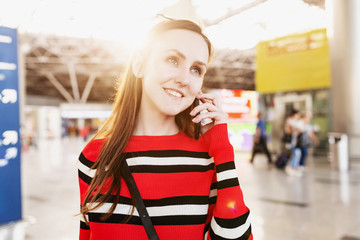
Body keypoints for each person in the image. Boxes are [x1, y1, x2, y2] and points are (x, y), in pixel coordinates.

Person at [77, 19, 252, 240]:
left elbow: (235, 233)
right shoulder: (93, 157)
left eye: (196, 70)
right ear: (140, 65)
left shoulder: (208, 160)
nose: (184, 79)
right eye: (172, 59)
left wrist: (222, 149)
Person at [284, 109, 303, 176]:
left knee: (296, 153)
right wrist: (295, 131)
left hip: (296, 141)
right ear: (294, 114)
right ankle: (292, 167)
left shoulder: (295, 121)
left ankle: (293, 167)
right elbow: (288, 131)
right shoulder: (289, 121)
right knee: (296, 153)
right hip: (292, 141)